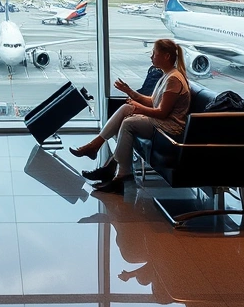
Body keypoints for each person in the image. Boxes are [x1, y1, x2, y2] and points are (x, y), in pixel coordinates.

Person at [68, 38, 192, 194]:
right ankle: (107, 161)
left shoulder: (174, 79)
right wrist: (129, 92)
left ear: (166, 56)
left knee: (128, 123)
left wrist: (139, 108)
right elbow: (153, 101)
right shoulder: (168, 75)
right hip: (162, 123)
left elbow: (162, 112)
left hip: (168, 128)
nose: (151, 56)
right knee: (127, 110)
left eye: (154, 53)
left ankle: (120, 171)